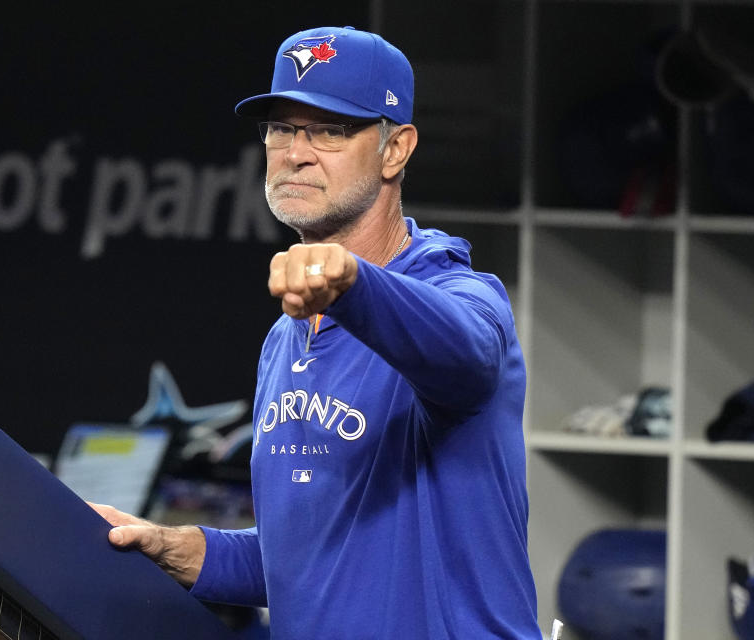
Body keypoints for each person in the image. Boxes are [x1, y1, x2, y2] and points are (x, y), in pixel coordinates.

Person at [91, 26, 541, 639]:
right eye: (280, 128)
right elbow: (306, 555)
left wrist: (354, 282)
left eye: (329, 129)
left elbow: (466, 355)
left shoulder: (459, 294)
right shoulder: (287, 336)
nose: (295, 152)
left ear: (395, 149)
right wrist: (176, 548)